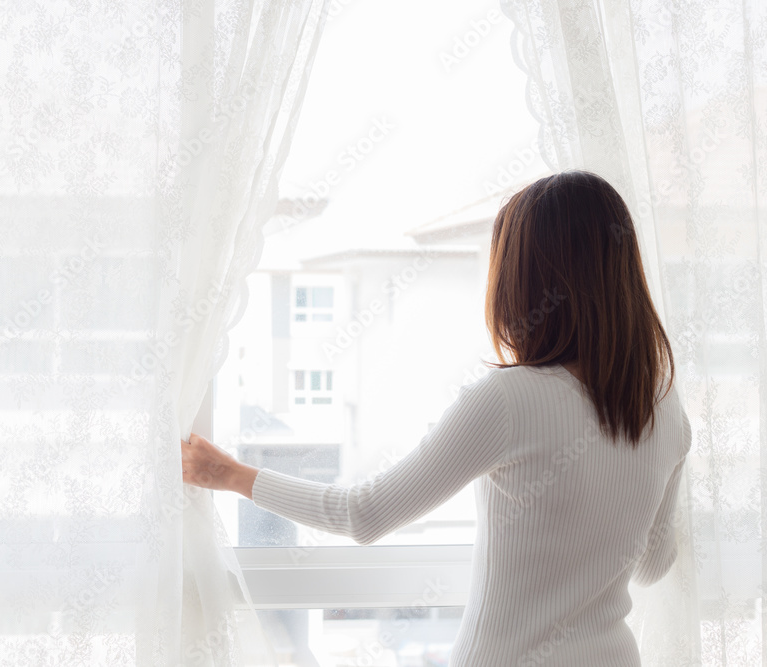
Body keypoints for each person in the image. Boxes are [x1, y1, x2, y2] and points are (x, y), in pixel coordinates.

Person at [180, 170, 691, 666]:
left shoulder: (509, 401)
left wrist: (228, 473)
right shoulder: (666, 411)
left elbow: (364, 514)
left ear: (525, 283)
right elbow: (651, 565)